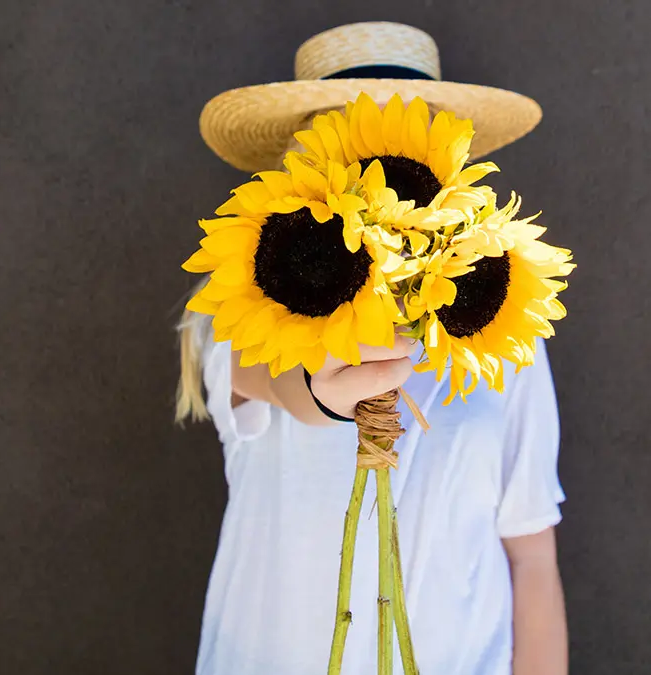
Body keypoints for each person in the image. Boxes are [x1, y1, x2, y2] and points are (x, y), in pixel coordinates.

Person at [179, 22, 568, 675]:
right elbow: (275, 381)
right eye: (359, 147)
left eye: (404, 153)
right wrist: (323, 390)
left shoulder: (501, 320)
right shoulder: (253, 304)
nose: (383, 183)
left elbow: (530, 552)